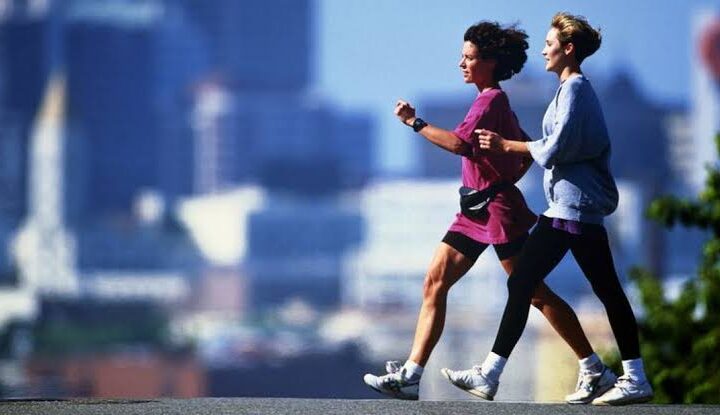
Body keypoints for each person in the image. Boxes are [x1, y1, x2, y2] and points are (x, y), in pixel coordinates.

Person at [362, 21, 606, 402]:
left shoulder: (491, 100)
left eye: (469, 57)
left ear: (489, 63)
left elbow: (460, 145)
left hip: (497, 213)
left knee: (533, 293)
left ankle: (593, 366)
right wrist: (504, 175)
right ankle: (411, 375)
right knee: (434, 282)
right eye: (462, 56)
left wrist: (415, 122)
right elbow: (524, 148)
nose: (461, 63)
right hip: (473, 211)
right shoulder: (493, 102)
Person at [442, 12, 654, 406]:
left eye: (549, 44)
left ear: (568, 49)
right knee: (597, 289)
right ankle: (618, 374)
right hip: (570, 209)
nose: (543, 51)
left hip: (572, 211)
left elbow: (555, 148)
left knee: (528, 283)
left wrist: (507, 145)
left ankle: (492, 374)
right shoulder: (568, 90)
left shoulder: (575, 90)